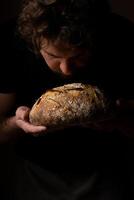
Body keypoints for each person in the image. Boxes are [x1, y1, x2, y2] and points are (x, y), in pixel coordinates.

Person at [0, 0, 134, 199]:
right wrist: (17, 124)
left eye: (78, 56)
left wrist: (121, 121)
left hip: (111, 172)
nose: (66, 69)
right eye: (53, 56)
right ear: (34, 42)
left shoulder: (123, 36)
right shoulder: (9, 41)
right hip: (36, 175)